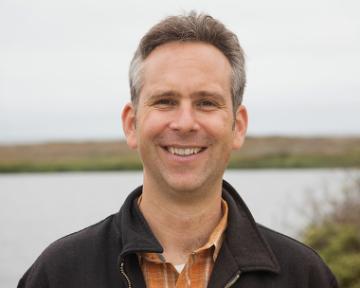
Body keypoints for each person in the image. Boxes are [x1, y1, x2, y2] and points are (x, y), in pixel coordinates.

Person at [18, 12, 338, 288]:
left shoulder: (304, 275)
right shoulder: (59, 272)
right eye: (165, 101)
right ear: (132, 124)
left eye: (206, 103)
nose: (185, 123)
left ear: (237, 126)